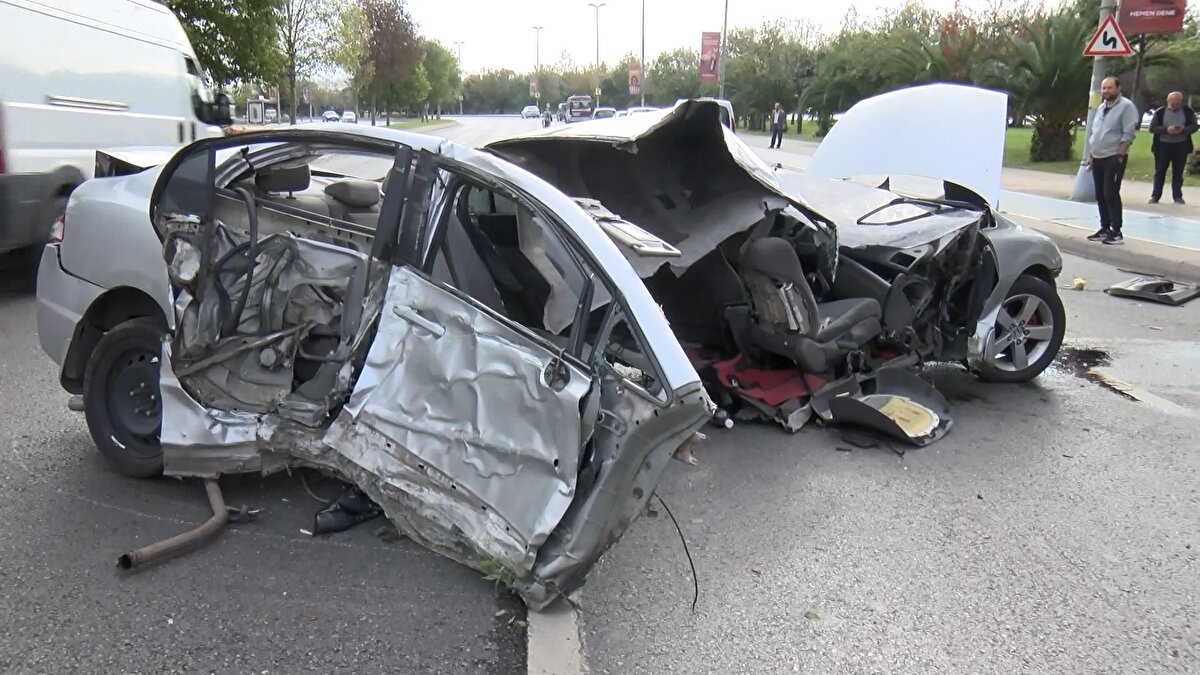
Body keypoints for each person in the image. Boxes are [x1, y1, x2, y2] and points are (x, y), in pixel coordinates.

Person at [1086, 76, 1139, 246]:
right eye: (1104, 88)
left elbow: (1128, 133)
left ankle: (1116, 231)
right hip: (1098, 156)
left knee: (1111, 193)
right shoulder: (1102, 107)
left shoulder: (1126, 106)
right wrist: (1091, 154)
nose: (1106, 91)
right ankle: (1105, 227)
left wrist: (1120, 156)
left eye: (1109, 88)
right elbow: (1096, 132)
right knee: (1100, 194)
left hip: (1113, 157)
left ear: (1117, 88)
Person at [1148, 91, 1197, 205]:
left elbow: (1194, 126)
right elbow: (1153, 128)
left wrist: (1183, 130)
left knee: (1178, 172)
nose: (1175, 103)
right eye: (1172, 101)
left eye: (1177, 101)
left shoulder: (1187, 112)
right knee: (1159, 172)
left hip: (1181, 145)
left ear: (1181, 101)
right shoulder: (1160, 112)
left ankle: (1177, 196)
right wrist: (1166, 130)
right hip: (1162, 146)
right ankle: (1155, 196)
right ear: (1168, 101)